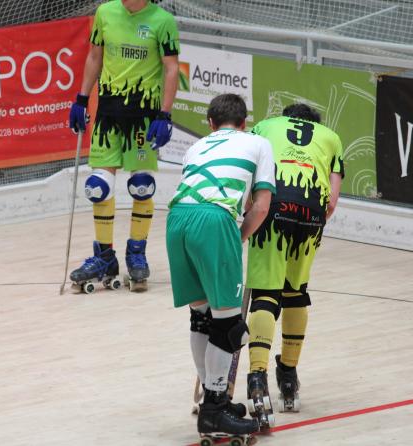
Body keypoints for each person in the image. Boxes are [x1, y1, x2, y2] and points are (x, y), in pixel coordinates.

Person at [166, 94, 276, 437]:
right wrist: (237, 237)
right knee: (229, 327)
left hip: (176, 219)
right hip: (215, 220)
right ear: (244, 123)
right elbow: (261, 206)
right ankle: (214, 410)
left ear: (210, 124)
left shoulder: (195, 147)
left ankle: (213, 403)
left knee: (201, 317)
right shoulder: (258, 143)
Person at [68, 0, 179, 288]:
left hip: (143, 116)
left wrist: (165, 114)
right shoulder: (105, 13)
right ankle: (104, 256)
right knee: (97, 186)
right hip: (108, 113)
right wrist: (81, 99)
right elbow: (95, 56)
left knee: (142, 185)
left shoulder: (163, 21)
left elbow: (171, 69)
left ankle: (137, 253)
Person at [244, 103, 344, 422]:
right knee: (295, 292)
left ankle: (257, 377)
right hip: (310, 214)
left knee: (265, 296)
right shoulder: (331, 137)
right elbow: (332, 201)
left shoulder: (265, 126)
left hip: (272, 208)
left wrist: (247, 213)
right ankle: (288, 374)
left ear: (285, 117)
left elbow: (247, 170)